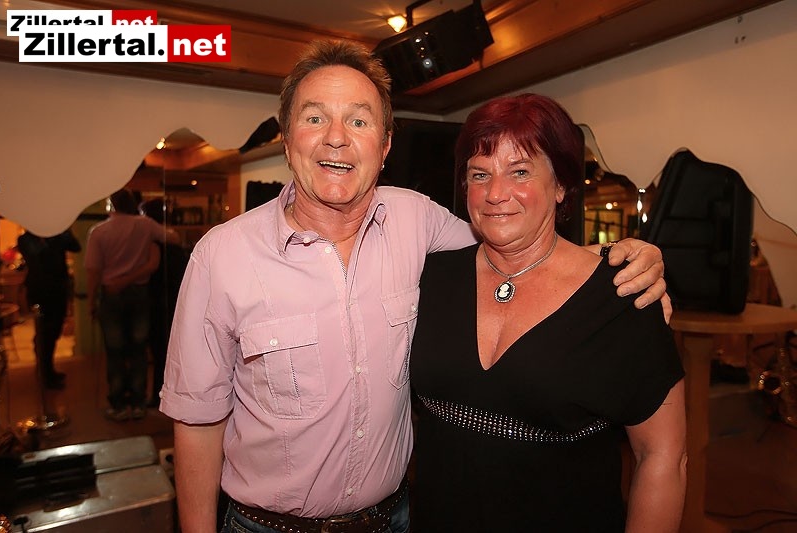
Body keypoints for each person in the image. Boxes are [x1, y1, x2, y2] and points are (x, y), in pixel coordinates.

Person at [160, 40, 668, 533]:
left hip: (396, 520)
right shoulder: (221, 257)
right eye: (315, 118)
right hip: (267, 527)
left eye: (358, 121)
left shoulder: (417, 220)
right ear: (286, 138)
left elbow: (511, 239)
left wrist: (620, 258)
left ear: (384, 147)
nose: (336, 138)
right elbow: (197, 421)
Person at [409, 93, 687, 531]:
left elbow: (663, 457)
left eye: (519, 171)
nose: (495, 193)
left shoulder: (622, 294)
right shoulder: (429, 278)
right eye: (480, 174)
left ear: (560, 185)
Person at [85, 188, 172, 422]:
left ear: (111, 204)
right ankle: (138, 402)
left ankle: (118, 403)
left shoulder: (99, 231)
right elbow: (171, 236)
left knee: (115, 350)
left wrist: (91, 301)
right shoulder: (144, 225)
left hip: (111, 293)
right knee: (138, 349)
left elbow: (93, 271)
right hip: (139, 292)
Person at [139, 198, 189, 408]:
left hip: (158, 302)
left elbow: (151, 272)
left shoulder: (153, 244)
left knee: (159, 351)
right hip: (176, 301)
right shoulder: (175, 243)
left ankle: (158, 395)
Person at [16, 229, 81, 389]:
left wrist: (61, 231)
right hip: (39, 290)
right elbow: (35, 256)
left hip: (58, 289)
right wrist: (47, 238)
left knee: (55, 330)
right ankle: (45, 372)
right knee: (44, 331)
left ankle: (48, 369)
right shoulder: (26, 239)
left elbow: (75, 246)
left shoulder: (57, 235)